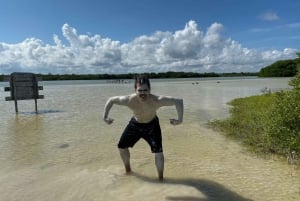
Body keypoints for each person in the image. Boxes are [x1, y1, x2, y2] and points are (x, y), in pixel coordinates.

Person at [103, 75, 183, 181]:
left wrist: (180, 120)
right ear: (135, 90)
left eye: (145, 90)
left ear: (150, 90)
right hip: (135, 125)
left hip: (152, 126)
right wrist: (105, 117)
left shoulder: (157, 100)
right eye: (140, 90)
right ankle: (128, 170)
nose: (142, 93)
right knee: (121, 147)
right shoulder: (128, 100)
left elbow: (178, 101)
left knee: (158, 152)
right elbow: (111, 100)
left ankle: (160, 179)